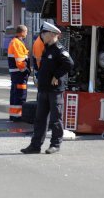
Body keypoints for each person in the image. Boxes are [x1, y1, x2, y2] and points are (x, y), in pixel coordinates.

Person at [21, 22, 73, 155]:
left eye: (43, 34)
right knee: (40, 119)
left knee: (56, 119)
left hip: (55, 90)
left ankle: (55, 144)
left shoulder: (59, 49)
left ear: (51, 34)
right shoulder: (47, 48)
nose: (42, 36)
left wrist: (56, 76)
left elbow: (69, 63)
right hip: (44, 89)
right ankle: (35, 145)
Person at [7, 24, 30, 121]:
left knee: (15, 94)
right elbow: (20, 61)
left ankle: (13, 115)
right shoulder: (17, 43)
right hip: (19, 73)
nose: (27, 33)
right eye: (26, 32)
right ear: (23, 32)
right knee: (20, 95)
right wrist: (26, 71)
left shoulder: (15, 41)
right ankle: (18, 116)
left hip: (16, 73)